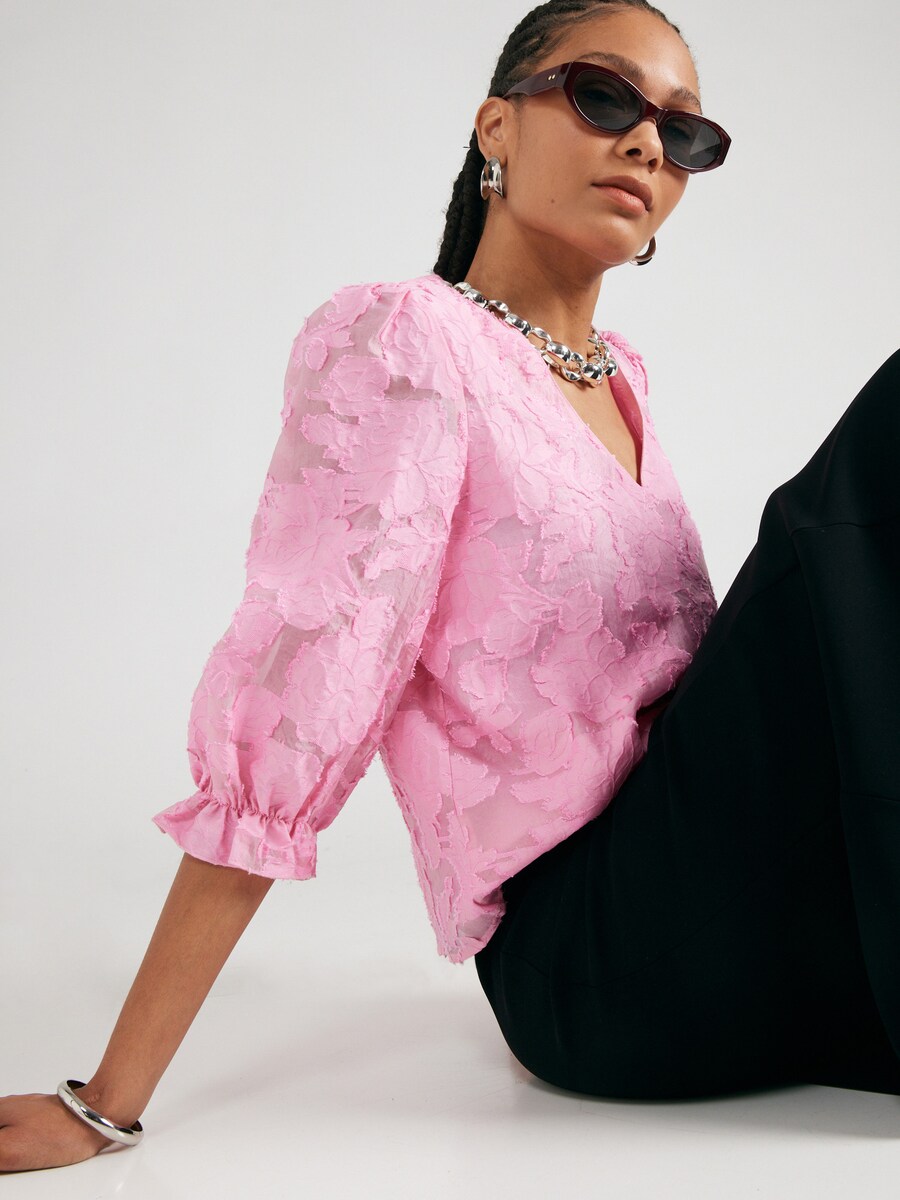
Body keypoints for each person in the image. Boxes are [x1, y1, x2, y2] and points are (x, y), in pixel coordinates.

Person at [3, 0, 899, 1173]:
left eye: (684, 134)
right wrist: (105, 1101)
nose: (646, 144)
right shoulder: (404, 342)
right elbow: (301, 696)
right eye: (604, 97)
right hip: (598, 959)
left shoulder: (621, 378)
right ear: (496, 126)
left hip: (721, 903)